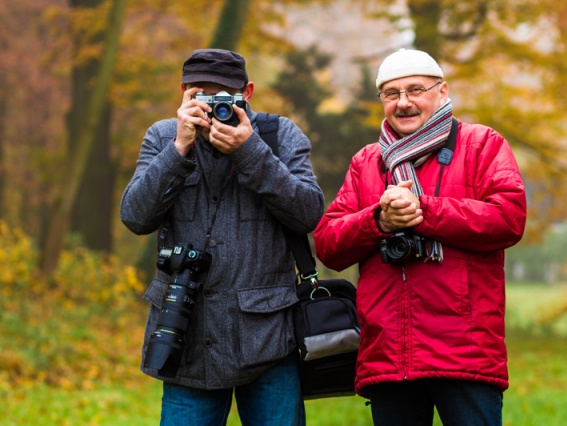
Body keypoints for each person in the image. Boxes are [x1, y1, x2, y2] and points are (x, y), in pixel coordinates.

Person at [313, 48, 527, 425]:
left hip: (465, 351)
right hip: (389, 353)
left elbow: (508, 218)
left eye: (415, 90)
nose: (404, 102)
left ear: (442, 92)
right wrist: (379, 220)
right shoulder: (367, 161)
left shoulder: (481, 144)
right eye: (391, 94)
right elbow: (329, 243)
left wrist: (423, 211)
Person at [120, 48, 324, 426]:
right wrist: (179, 148)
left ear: (246, 93)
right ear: (183, 91)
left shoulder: (279, 136)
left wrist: (250, 152)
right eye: (201, 94)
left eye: (223, 96)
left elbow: (309, 213)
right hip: (186, 337)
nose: (212, 106)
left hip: (267, 341)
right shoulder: (163, 136)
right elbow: (134, 216)